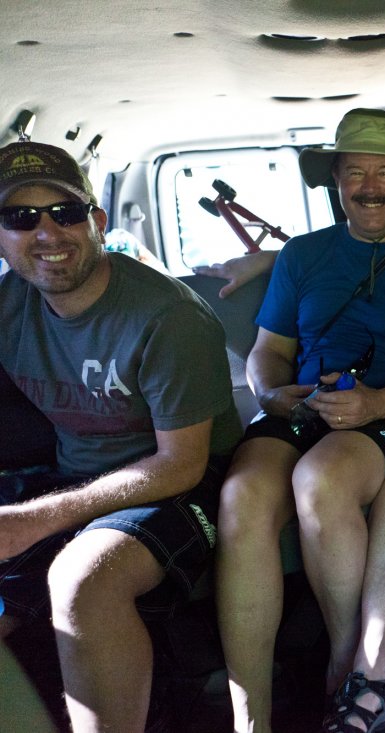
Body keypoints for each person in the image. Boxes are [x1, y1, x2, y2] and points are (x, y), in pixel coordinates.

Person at [213, 108, 385, 733]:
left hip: (379, 410)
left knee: (320, 480)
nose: (370, 185)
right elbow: (266, 352)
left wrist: (376, 404)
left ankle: (350, 667)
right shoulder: (302, 256)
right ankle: (253, 718)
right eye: (355, 171)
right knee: (241, 496)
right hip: (298, 404)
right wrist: (272, 395)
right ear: (336, 180)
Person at [0, 140, 241, 732]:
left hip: (185, 482)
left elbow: (181, 464)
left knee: (83, 579)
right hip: (72, 474)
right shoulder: (8, 307)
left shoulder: (168, 317)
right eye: (20, 218)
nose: (47, 233)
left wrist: (32, 520)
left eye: (65, 213)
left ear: (98, 222)